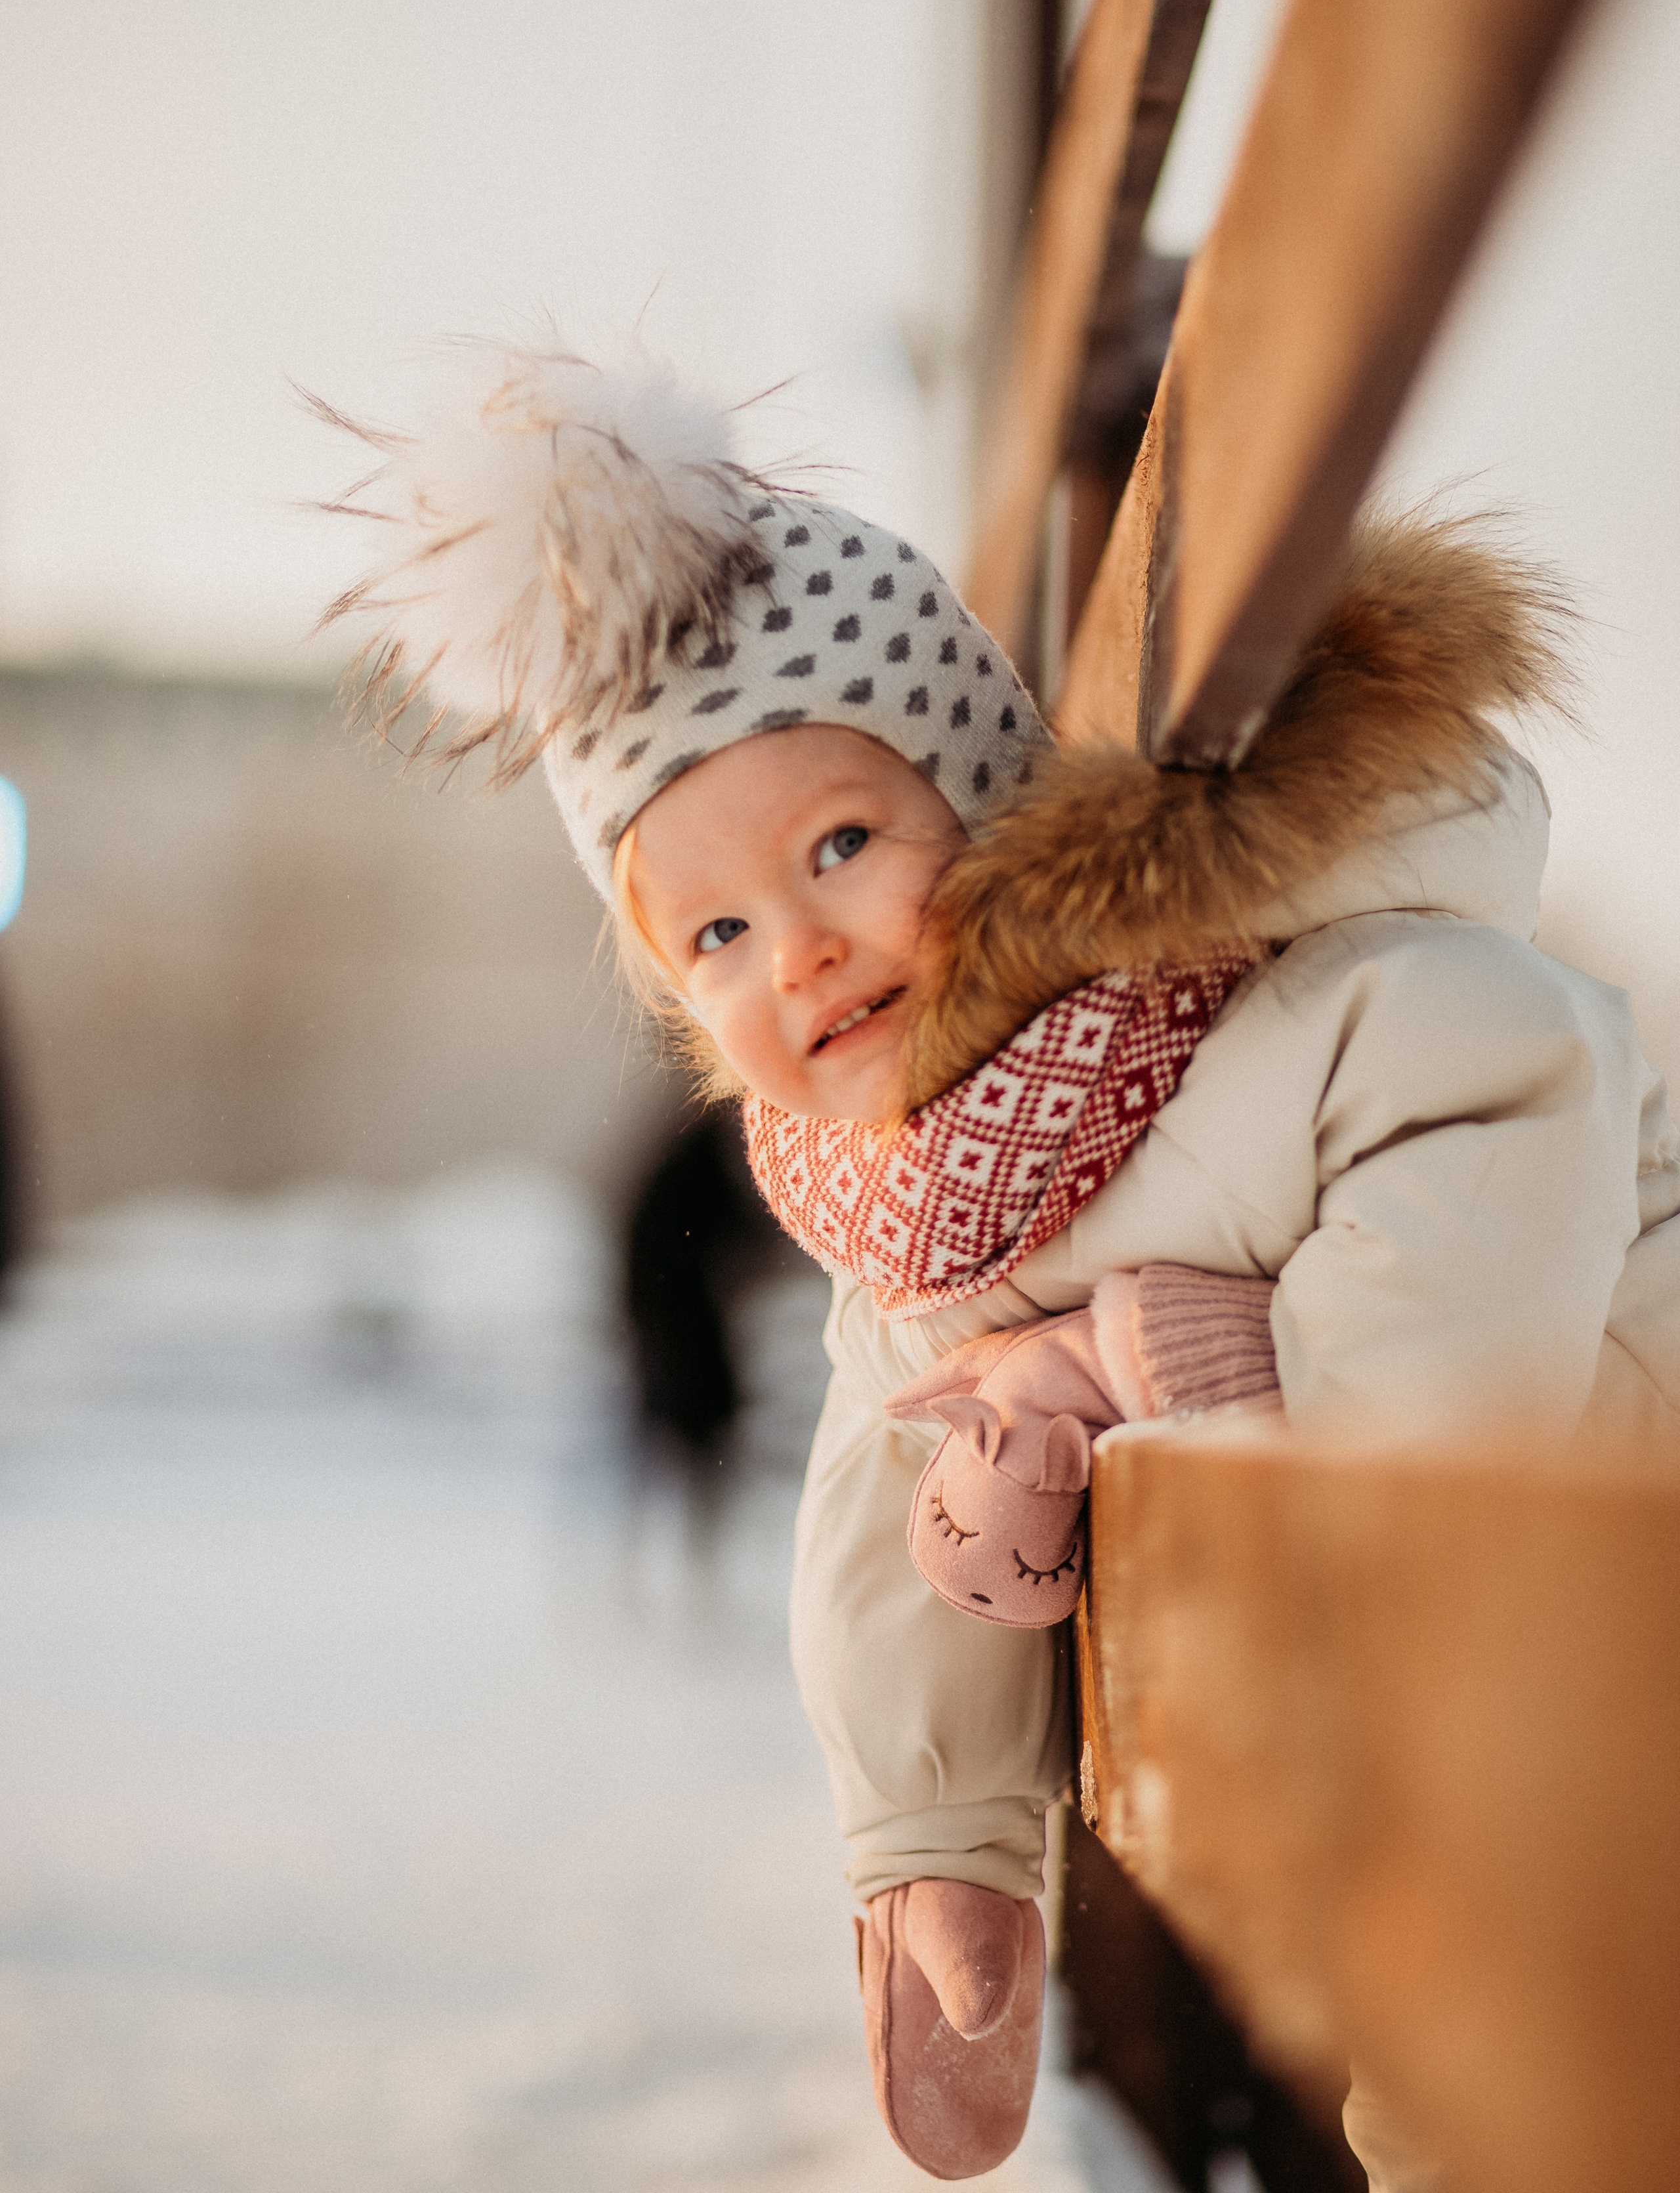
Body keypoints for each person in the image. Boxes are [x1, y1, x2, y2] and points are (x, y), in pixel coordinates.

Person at [322, 333, 1680, 2190]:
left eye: (842, 843)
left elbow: (1517, 1084)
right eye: (714, 928)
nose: (794, 951)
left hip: (1602, 1495)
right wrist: (937, 1853)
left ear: (983, 803)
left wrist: (1185, 1361)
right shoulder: (925, 1214)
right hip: (1460, 1684)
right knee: (1448, 2063)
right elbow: (879, 1503)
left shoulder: (1260, 992)